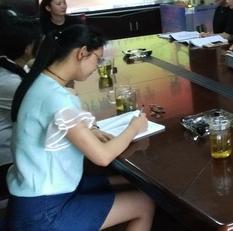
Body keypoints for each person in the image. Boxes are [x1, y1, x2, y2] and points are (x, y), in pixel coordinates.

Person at [6, 24, 155, 230]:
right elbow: (102, 157)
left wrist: (90, 131)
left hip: (37, 194)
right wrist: (134, 128)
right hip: (44, 210)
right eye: (97, 59)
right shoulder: (56, 98)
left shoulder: (40, 81)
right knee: (144, 203)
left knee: (133, 185)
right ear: (82, 52)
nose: (96, 67)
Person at [0, 17, 42, 190]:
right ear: (28, 48)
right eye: (39, 40)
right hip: (8, 159)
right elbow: (44, 108)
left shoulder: (9, 63)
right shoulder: (9, 82)